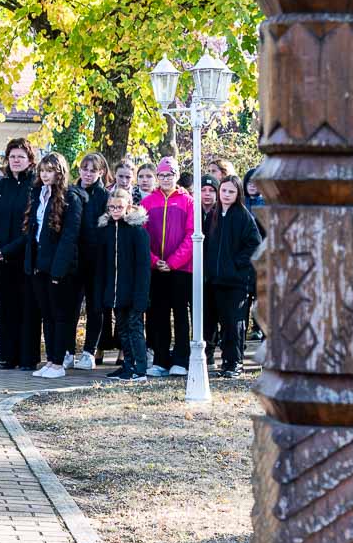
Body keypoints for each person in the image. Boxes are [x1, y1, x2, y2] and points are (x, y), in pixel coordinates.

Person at [26, 152, 85, 379]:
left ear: (59, 172)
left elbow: (69, 237)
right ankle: (50, 360)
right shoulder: (39, 194)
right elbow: (33, 231)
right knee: (47, 315)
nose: (45, 175)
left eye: (49, 171)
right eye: (42, 171)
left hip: (59, 268)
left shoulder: (71, 197)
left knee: (60, 315)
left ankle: (59, 362)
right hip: (39, 265)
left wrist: (58, 271)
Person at [0, 138, 40, 371]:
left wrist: (5, 251)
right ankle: (8, 356)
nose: (16, 161)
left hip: (26, 257)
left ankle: (28, 358)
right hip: (1, 259)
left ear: (30, 160)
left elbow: (32, 227)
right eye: (12, 156)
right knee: (6, 307)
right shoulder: (0, 187)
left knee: (27, 308)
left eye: (21, 156)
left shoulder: (35, 187)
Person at [203, 176, 262, 378]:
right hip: (214, 280)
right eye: (224, 191)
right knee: (218, 322)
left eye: (231, 191)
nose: (226, 195)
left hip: (236, 281)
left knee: (234, 323)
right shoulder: (213, 215)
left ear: (238, 194)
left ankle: (235, 362)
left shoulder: (244, 216)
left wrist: (235, 265)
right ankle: (225, 363)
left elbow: (254, 244)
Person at [140, 157, 193, 377]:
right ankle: (160, 360)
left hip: (180, 269)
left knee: (180, 314)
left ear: (176, 175)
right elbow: (141, 236)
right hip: (156, 269)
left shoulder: (187, 202)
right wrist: (154, 261)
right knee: (158, 315)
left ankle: (181, 359)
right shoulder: (148, 202)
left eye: (169, 175)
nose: (165, 179)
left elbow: (191, 235)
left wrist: (173, 262)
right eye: (161, 175)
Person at [95, 188, 150, 380]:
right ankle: (128, 365)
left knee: (135, 328)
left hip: (133, 292)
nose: (115, 210)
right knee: (122, 329)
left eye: (119, 207)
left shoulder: (137, 232)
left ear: (128, 206)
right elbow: (102, 265)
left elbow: (143, 267)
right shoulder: (106, 230)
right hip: (115, 291)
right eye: (111, 207)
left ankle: (140, 369)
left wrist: (141, 296)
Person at [71, 153, 113, 369]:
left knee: (95, 307)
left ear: (101, 172)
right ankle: (68, 350)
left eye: (93, 170)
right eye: (85, 169)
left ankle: (89, 351)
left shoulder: (105, 196)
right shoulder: (70, 192)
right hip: (73, 259)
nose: (88, 174)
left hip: (96, 260)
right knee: (71, 307)